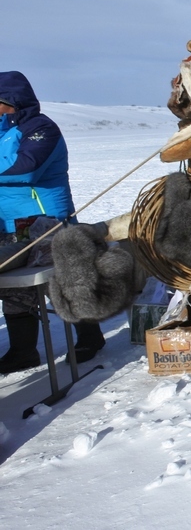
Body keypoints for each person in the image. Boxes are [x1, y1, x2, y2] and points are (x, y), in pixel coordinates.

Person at [0, 71, 105, 375]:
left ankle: (90, 338)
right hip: (8, 227)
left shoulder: (41, 129)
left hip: (47, 223)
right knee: (13, 290)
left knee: (64, 283)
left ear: (11, 101)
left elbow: (27, 168)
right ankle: (22, 351)